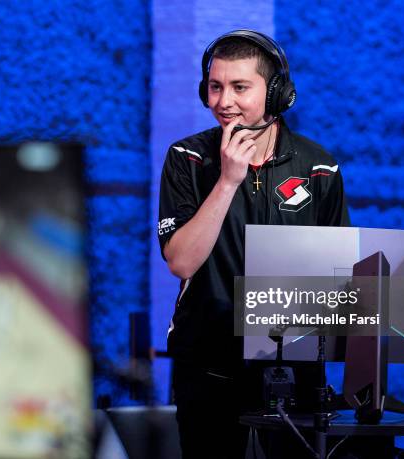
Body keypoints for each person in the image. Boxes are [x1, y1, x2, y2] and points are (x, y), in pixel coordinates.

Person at [158, 30, 350, 458]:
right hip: (207, 364)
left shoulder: (319, 166)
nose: (223, 101)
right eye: (215, 86)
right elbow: (181, 261)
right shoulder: (186, 159)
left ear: (277, 93)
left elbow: (340, 276)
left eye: (240, 87)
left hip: (295, 366)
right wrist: (228, 181)